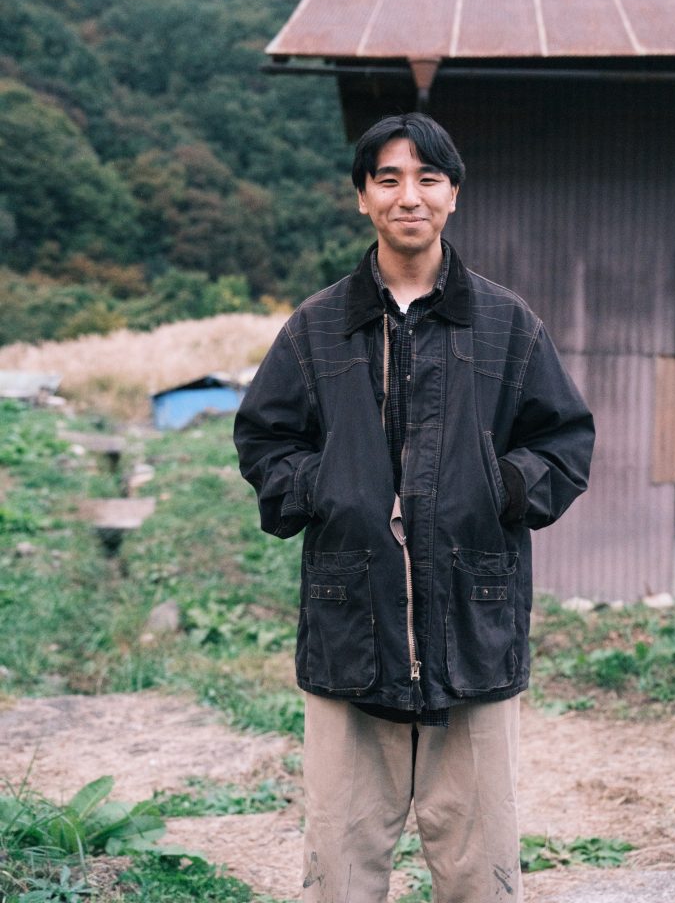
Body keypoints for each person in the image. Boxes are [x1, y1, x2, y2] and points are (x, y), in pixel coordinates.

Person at [234, 112, 594, 902]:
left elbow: (563, 442)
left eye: (427, 178)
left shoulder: (505, 324)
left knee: (479, 874)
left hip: (473, 629)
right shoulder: (317, 327)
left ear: (452, 194)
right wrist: (324, 488)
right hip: (349, 632)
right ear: (361, 196)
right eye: (388, 179)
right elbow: (264, 440)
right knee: (339, 870)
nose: (409, 197)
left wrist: (501, 487)